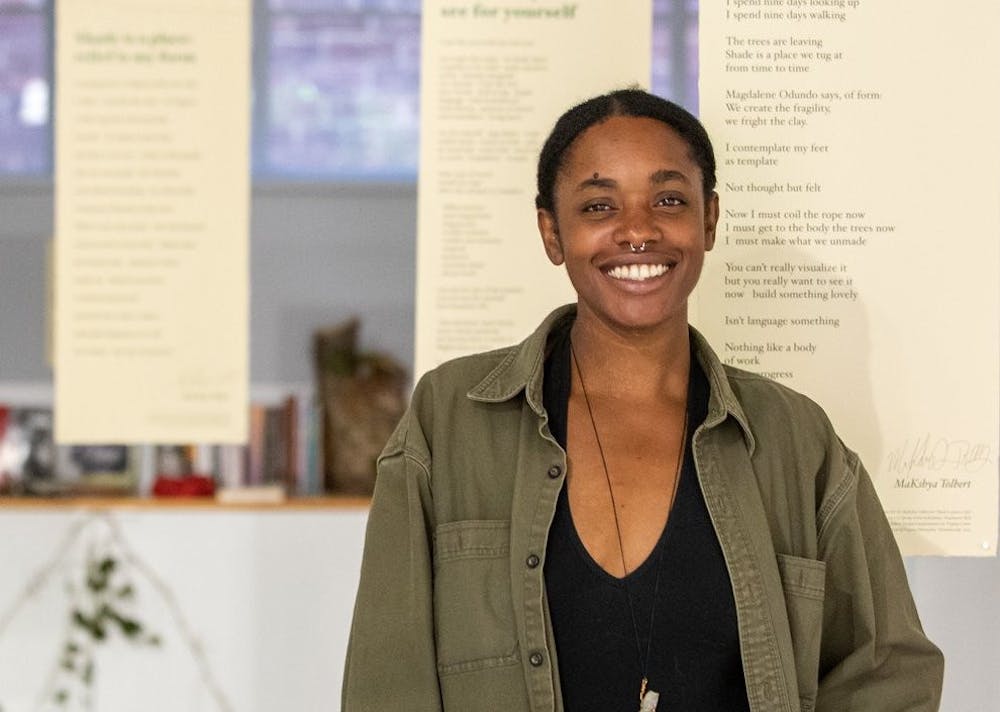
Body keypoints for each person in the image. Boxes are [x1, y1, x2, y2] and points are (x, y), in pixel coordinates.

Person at [341, 89, 943, 712]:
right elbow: (387, 682)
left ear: (709, 219)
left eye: (669, 199)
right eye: (599, 205)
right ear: (553, 232)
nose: (637, 229)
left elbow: (886, 671)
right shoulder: (451, 419)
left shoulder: (795, 438)